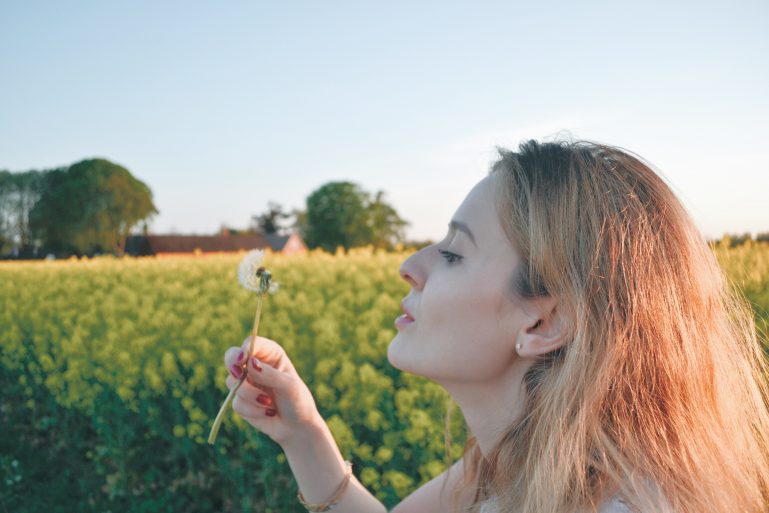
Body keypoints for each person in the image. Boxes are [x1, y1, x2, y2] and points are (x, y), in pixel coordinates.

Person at [222, 138, 769, 513]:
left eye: (454, 254)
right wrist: (303, 434)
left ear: (545, 321)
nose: (409, 266)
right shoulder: (513, 462)